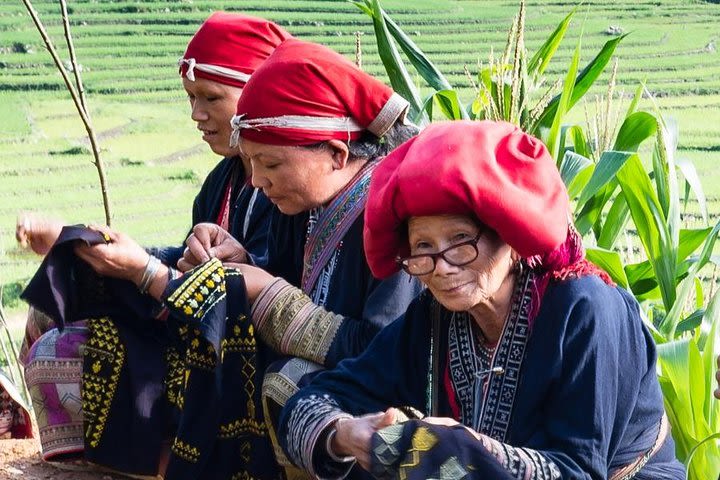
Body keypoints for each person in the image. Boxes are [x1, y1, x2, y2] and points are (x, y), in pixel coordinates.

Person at [74, 38, 423, 478]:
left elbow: (384, 350)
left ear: (336, 153)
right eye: (252, 164)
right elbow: (276, 274)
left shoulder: (394, 218)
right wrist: (239, 258)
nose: (256, 181)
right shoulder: (301, 205)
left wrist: (265, 292)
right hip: (331, 371)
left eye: (271, 165)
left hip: (388, 400)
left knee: (287, 381)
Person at [277, 120, 686, 479]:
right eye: (423, 246)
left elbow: (576, 470)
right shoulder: (433, 319)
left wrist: (467, 447)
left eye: (460, 242)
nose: (441, 267)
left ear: (509, 237)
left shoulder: (586, 310)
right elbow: (318, 396)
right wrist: (344, 434)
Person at [20, 13, 291, 477]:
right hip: (193, 320)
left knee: (67, 349)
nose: (196, 115)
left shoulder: (284, 186)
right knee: (57, 295)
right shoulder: (221, 181)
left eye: (211, 98)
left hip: (241, 351)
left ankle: (165, 465)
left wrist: (145, 269)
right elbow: (186, 261)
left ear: (256, 96)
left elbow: (267, 291)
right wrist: (82, 243)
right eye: (191, 99)